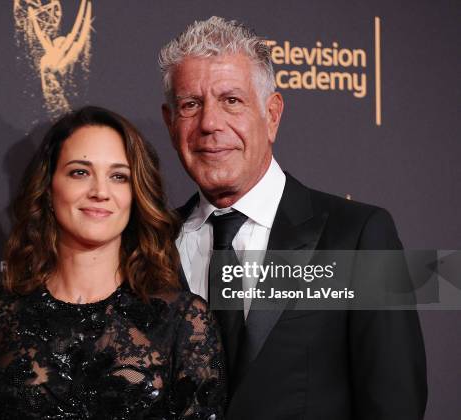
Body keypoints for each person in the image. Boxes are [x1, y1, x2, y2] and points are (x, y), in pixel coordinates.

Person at [159, 17, 427, 419]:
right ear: (170, 122)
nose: (210, 124)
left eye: (231, 100)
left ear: (272, 114)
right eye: (190, 105)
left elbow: (395, 404)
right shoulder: (150, 245)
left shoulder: (357, 235)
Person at [0, 106, 225, 419]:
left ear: (136, 196)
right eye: (80, 172)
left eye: (118, 176)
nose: (100, 192)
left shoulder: (183, 322)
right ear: (49, 188)